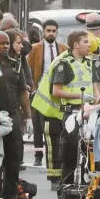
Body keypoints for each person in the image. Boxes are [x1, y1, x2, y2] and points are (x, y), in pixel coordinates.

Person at [31, 31, 95, 199]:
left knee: (80, 150)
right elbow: (56, 91)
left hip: (82, 112)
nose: (90, 44)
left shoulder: (87, 63)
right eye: (86, 41)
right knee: (62, 150)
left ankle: (76, 184)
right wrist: (80, 97)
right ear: (76, 45)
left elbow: (90, 86)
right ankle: (60, 184)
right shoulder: (64, 64)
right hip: (62, 112)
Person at [27, 20, 68, 186]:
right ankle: (39, 155)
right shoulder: (35, 49)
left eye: (53, 31)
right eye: (48, 31)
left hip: (58, 94)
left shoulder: (64, 49)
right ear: (43, 32)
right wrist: (33, 89)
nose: (51, 33)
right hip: (41, 93)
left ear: (57, 32)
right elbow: (29, 70)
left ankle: (58, 173)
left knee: (56, 132)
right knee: (39, 127)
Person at [0, 31, 32, 199]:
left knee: (14, 158)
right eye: (1, 43)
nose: (6, 46)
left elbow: (23, 92)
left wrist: (28, 116)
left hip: (12, 115)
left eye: (7, 43)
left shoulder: (16, 65)